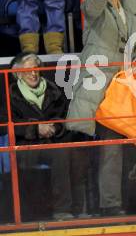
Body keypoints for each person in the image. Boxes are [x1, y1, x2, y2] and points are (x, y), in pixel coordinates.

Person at [66, 0, 136, 216]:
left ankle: (132, 201)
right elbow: (89, 6)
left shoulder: (133, 7)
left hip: (129, 88)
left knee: (132, 146)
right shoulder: (95, 4)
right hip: (101, 86)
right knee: (110, 146)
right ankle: (110, 205)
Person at [9, 53, 87, 220]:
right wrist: (35, 129)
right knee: (60, 152)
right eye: (28, 70)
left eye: (36, 69)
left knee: (75, 151)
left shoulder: (53, 90)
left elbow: (65, 115)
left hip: (54, 140)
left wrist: (55, 126)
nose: (33, 73)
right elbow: (7, 123)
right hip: (26, 146)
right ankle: (60, 210)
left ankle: (77, 209)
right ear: (18, 73)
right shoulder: (11, 95)